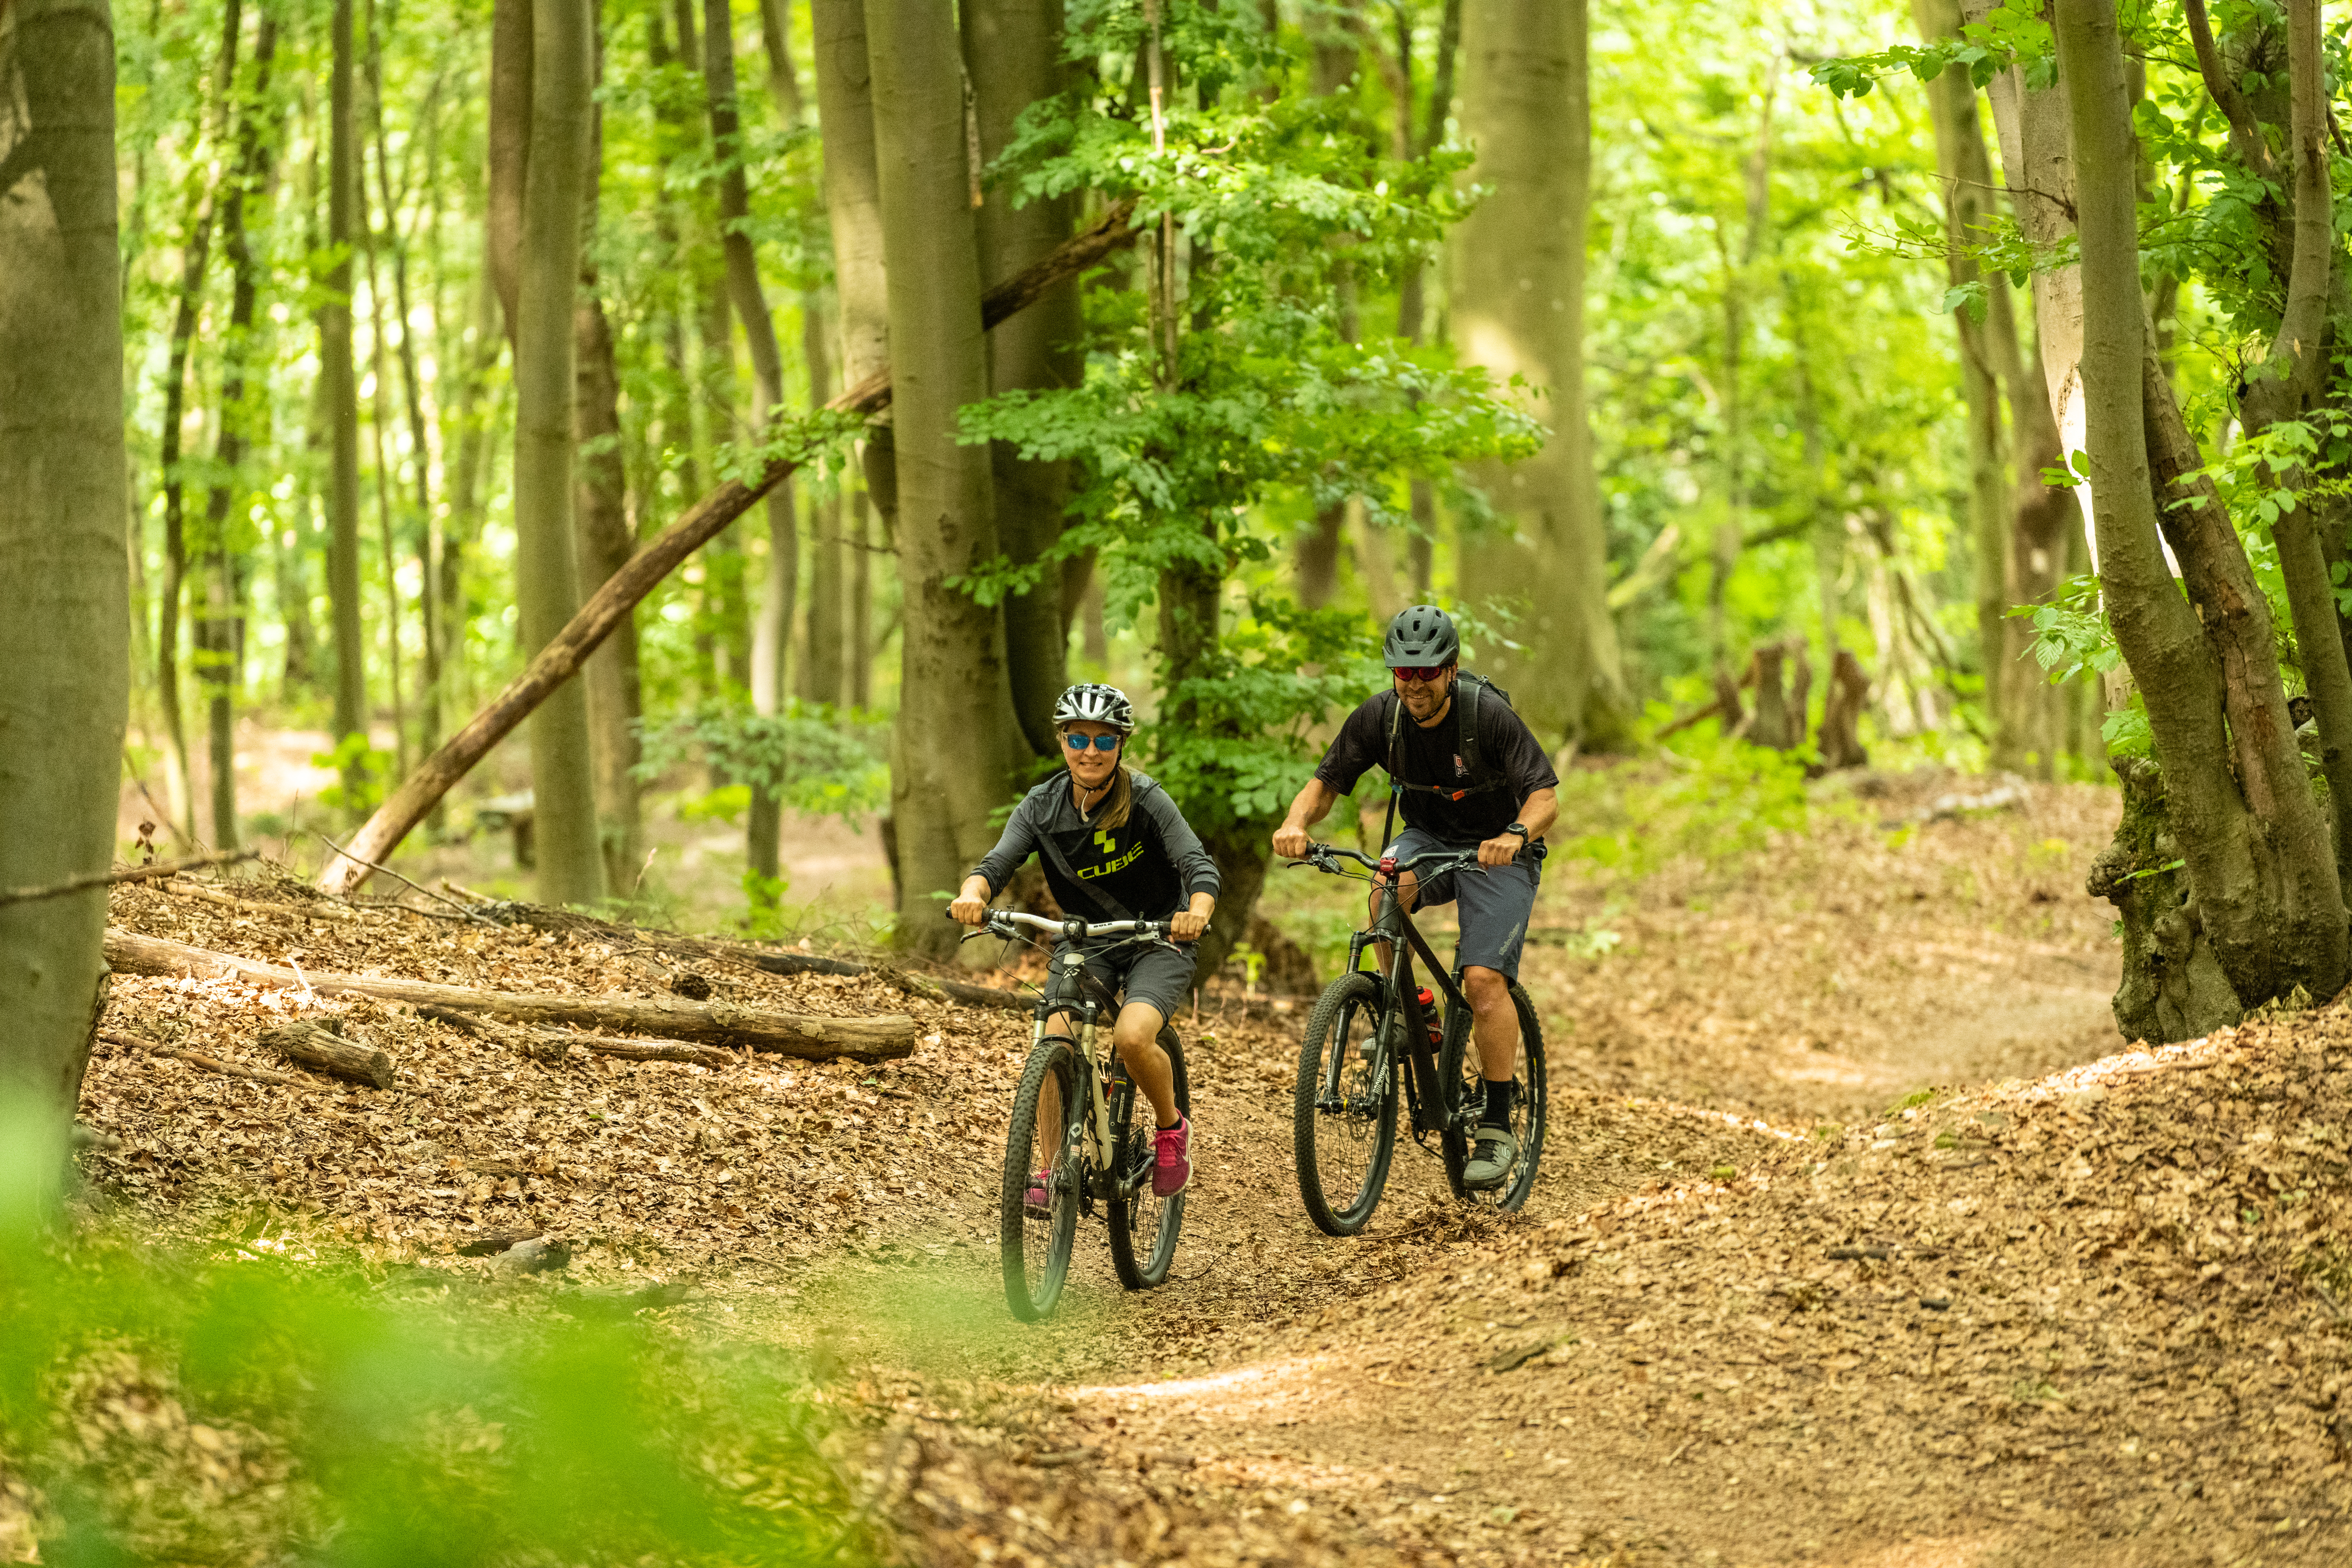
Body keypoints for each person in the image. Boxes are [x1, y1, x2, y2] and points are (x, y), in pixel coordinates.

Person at [1271, 605, 1557, 1191]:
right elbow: (1325, 784)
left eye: (1427, 672)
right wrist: (1296, 823)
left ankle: (1497, 1122)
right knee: (1383, 891)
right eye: (1404, 672)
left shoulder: (1488, 716)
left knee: (1483, 982)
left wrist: (1515, 835)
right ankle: (1415, 1012)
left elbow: (1545, 797)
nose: (1415, 683)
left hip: (1496, 852)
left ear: (1451, 669)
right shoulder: (1381, 718)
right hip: (1427, 840)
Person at [950, 683, 1217, 1197]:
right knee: (1055, 1039)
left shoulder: (1147, 799)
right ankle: (1053, 1170)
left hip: (1159, 935)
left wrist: (1197, 912)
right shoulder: (1042, 807)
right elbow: (995, 866)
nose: (1090, 751)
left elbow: (1197, 866)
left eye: (1104, 740)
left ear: (1121, 745)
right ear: (1062, 742)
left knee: (1133, 1038)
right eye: (1078, 739)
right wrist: (971, 895)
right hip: (1087, 939)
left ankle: (1171, 1129)